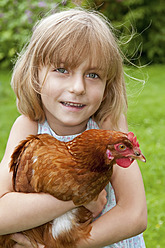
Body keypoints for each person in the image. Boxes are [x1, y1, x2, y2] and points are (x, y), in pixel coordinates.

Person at [0, 8, 147, 248]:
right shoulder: (29, 127)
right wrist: (79, 196)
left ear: (108, 83)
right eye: (61, 70)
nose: (78, 87)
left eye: (93, 74)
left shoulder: (108, 124)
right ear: (36, 74)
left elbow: (135, 215)